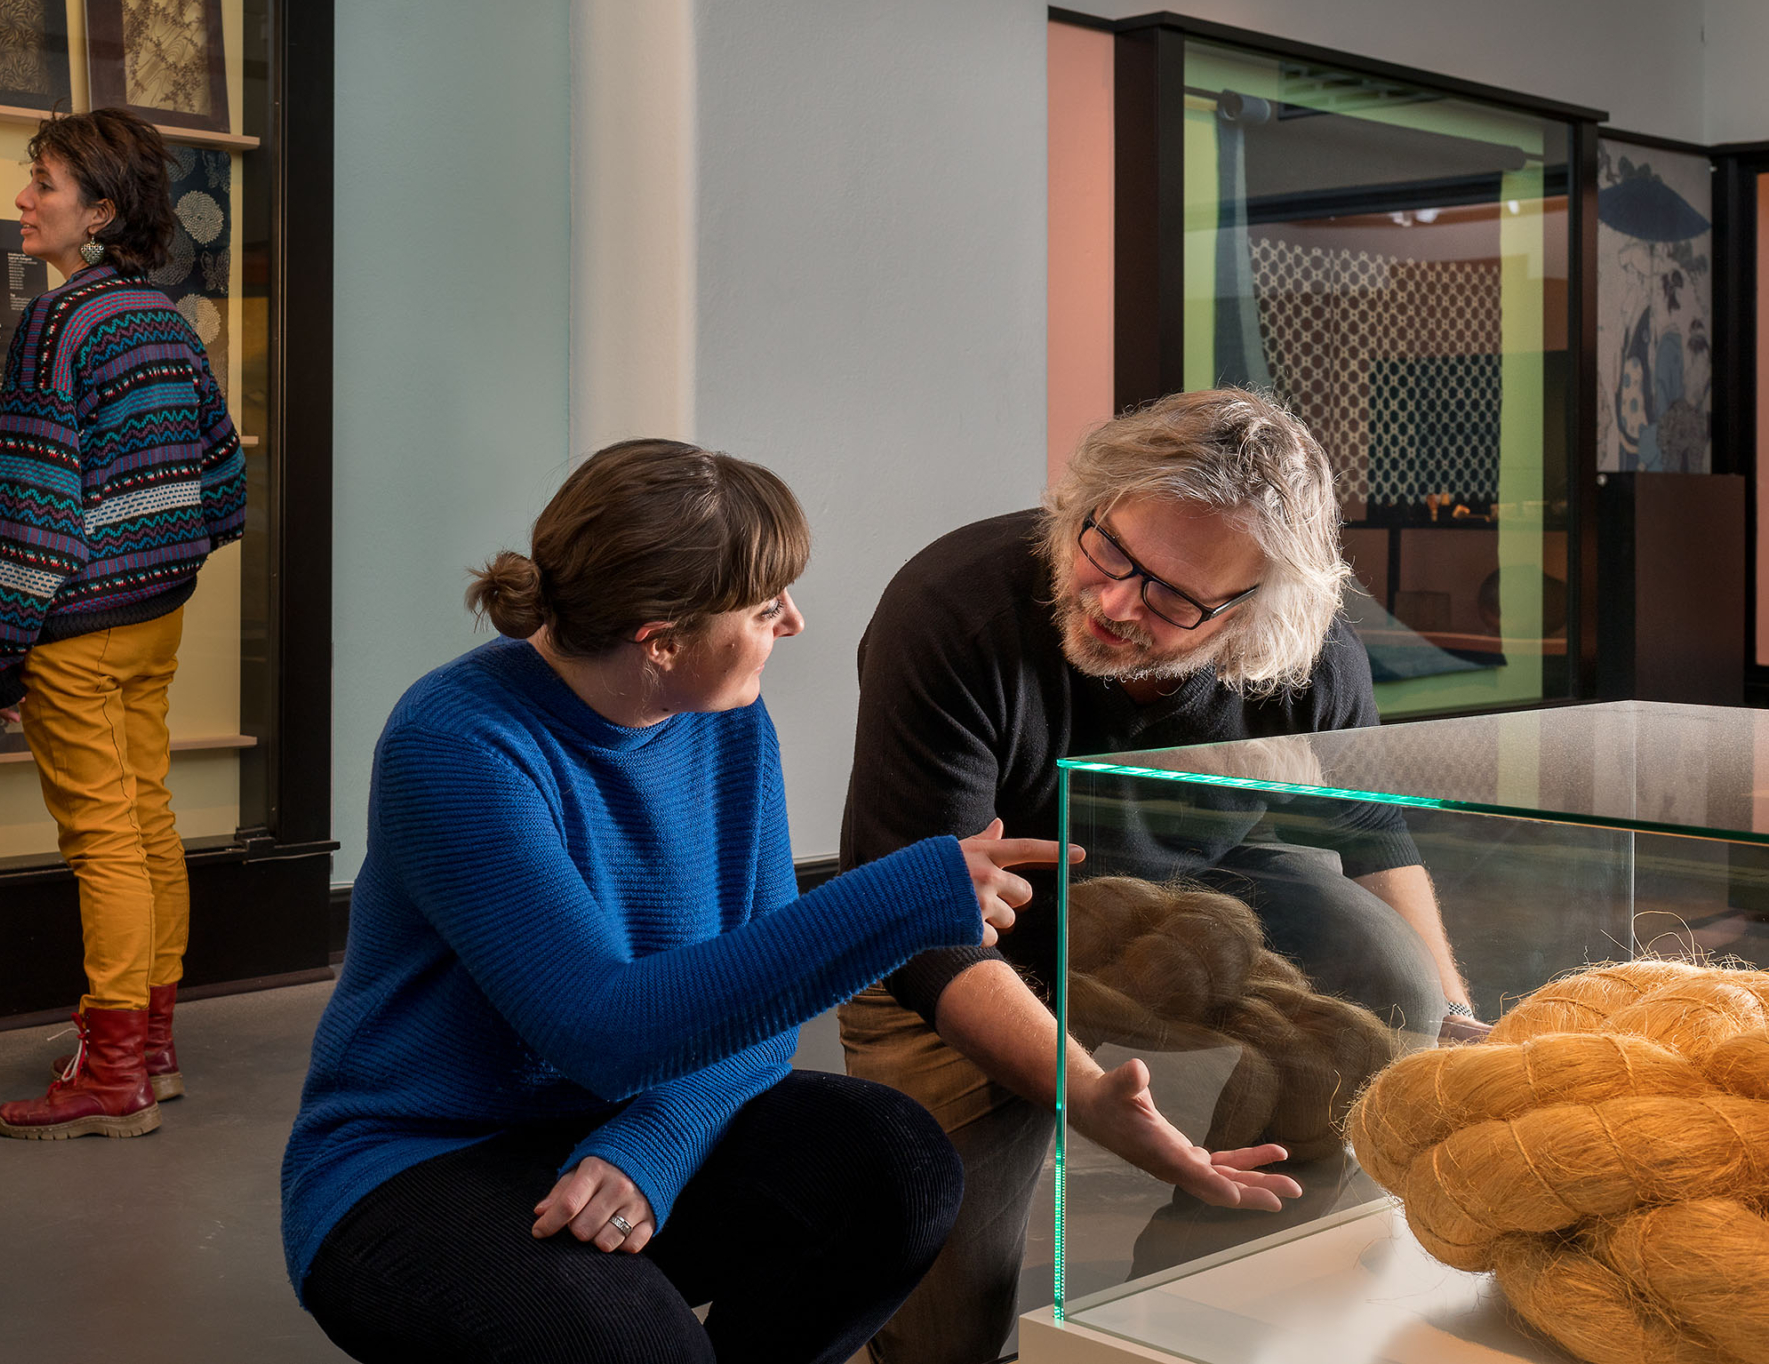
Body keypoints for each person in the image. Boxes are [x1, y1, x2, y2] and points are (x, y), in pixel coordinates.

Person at [282, 440, 1293, 1364]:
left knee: (898, 1167)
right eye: (767, 606)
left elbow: (755, 1022)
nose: (793, 623)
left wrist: (652, 1145)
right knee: (640, 1350)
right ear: (661, 639)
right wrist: (905, 894)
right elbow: (604, 1028)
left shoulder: (722, 718)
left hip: (619, 1126)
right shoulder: (455, 744)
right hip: (416, 1165)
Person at [837, 386, 1483, 1364]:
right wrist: (1086, 1095)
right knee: (945, 1327)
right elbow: (920, 934)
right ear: (1090, 501)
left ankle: (1174, 1312)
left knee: (1391, 985)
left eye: (1173, 597)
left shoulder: (1309, 655)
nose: (1112, 601)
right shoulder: (950, 608)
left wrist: (1448, 1013)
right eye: (1110, 550)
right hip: (959, 939)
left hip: (1178, 903)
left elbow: (1375, 834)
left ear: (1252, 616)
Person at [0, 106, 245, 1141]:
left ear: (101, 211)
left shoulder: (59, 322)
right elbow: (223, 472)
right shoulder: (165, 320)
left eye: (44, 182)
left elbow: (28, 498)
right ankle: (152, 1046)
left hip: (75, 623)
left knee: (101, 838)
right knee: (147, 816)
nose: (24, 200)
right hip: (154, 615)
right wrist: (165, 553)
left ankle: (113, 1071)